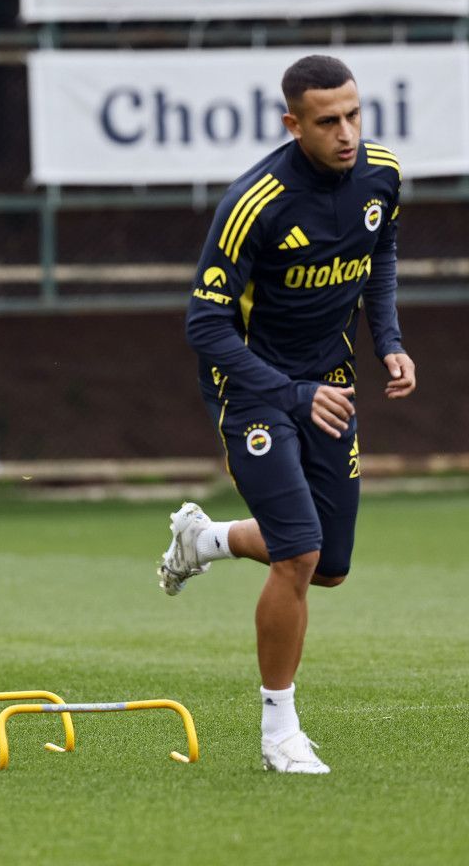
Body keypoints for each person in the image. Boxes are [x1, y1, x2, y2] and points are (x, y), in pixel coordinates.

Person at [158, 54, 416, 774]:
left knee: (329, 567)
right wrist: (293, 394)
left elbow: (379, 253)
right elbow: (205, 325)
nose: (347, 132)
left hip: (330, 383)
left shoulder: (382, 175)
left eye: (354, 115)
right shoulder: (255, 202)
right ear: (292, 124)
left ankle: (206, 540)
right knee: (298, 552)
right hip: (253, 390)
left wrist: (389, 341)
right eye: (328, 121)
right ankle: (279, 733)